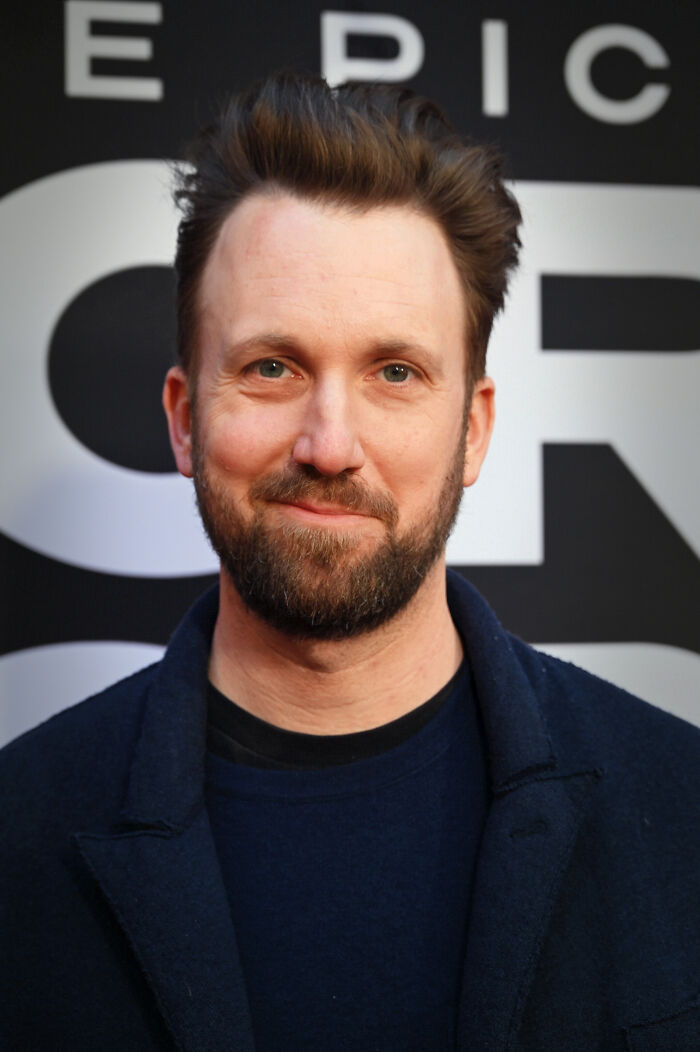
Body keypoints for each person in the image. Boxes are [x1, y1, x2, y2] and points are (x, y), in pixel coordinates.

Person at [1, 72, 699, 1052]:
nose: (329, 442)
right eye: (272, 366)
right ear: (183, 418)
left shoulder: (680, 807)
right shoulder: (15, 834)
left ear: (474, 429)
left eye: (395, 372)